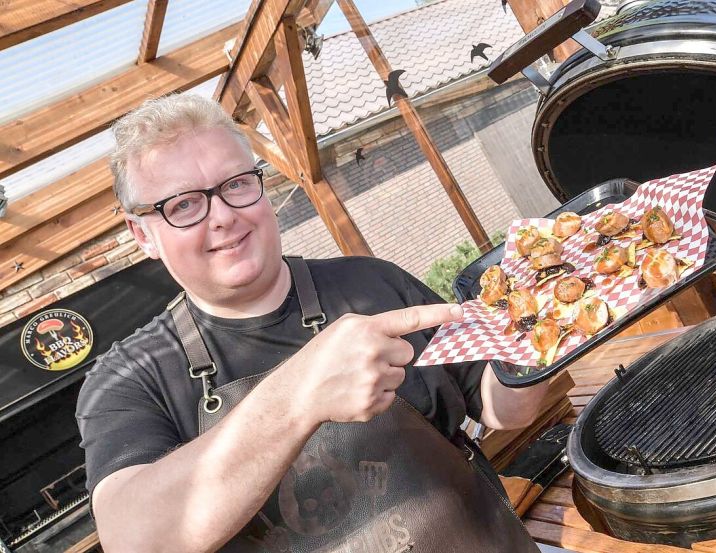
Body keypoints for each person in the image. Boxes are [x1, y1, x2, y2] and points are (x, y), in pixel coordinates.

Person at [76, 94, 548, 552]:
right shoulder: (127, 379)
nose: (222, 216)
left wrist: (538, 336)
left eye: (237, 183)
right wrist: (300, 396)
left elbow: (500, 408)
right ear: (143, 234)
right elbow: (134, 538)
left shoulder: (370, 282)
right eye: (183, 205)